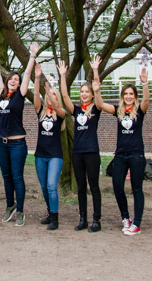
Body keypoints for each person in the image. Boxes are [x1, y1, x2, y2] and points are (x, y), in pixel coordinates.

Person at [57, 57, 112, 233]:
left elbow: (97, 91)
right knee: (81, 187)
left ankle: (97, 220)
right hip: (77, 153)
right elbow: (64, 96)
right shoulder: (77, 110)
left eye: (86, 92)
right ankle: (83, 219)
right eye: (82, 92)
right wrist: (63, 76)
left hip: (92, 152)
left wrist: (96, 71)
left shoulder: (95, 108)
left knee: (93, 186)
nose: (84, 94)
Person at [0, 43, 37, 226]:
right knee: (6, 176)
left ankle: (20, 211)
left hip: (17, 144)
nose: (14, 80)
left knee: (17, 176)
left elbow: (26, 74)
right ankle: (9, 206)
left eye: (16, 79)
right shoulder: (1, 93)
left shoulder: (21, 94)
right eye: (11, 78)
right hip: (2, 144)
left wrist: (32, 56)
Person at [105, 62, 150, 236]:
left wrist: (145, 83)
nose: (128, 96)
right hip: (120, 155)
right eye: (126, 94)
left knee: (137, 188)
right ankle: (126, 218)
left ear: (135, 96)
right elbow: (100, 104)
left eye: (131, 94)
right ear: (122, 96)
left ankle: (137, 223)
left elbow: (146, 100)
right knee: (117, 187)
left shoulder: (139, 111)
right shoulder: (118, 111)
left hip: (136, 155)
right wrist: (96, 82)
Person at [32, 61, 66, 230]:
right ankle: (49, 212)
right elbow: (36, 97)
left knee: (52, 185)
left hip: (55, 156)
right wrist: (37, 78)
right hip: (40, 155)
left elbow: (58, 107)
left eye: (53, 94)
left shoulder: (60, 114)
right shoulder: (41, 112)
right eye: (48, 94)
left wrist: (51, 93)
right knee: (45, 187)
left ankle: (55, 218)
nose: (49, 96)